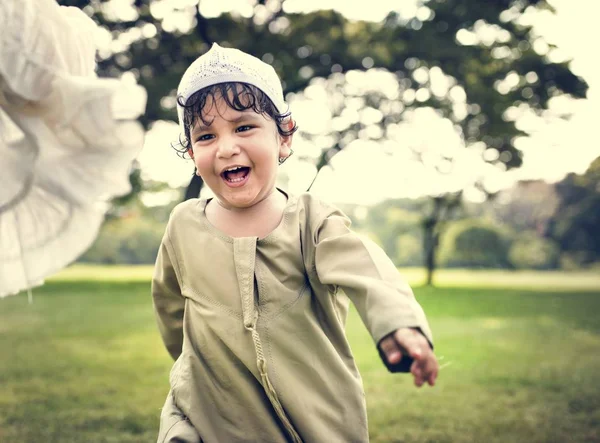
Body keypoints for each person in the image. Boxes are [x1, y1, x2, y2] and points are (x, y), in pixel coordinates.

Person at [151, 43, 438, 443]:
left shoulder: (312, 221)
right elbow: (170, 308)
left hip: (311, 419)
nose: (226, 147)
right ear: (191, 152)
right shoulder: (184, 225)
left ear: (284, 138)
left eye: (244, 127)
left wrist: (399, 326)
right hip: (209, 414)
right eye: (205, 136)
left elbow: (369, 272)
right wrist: (193, 371)